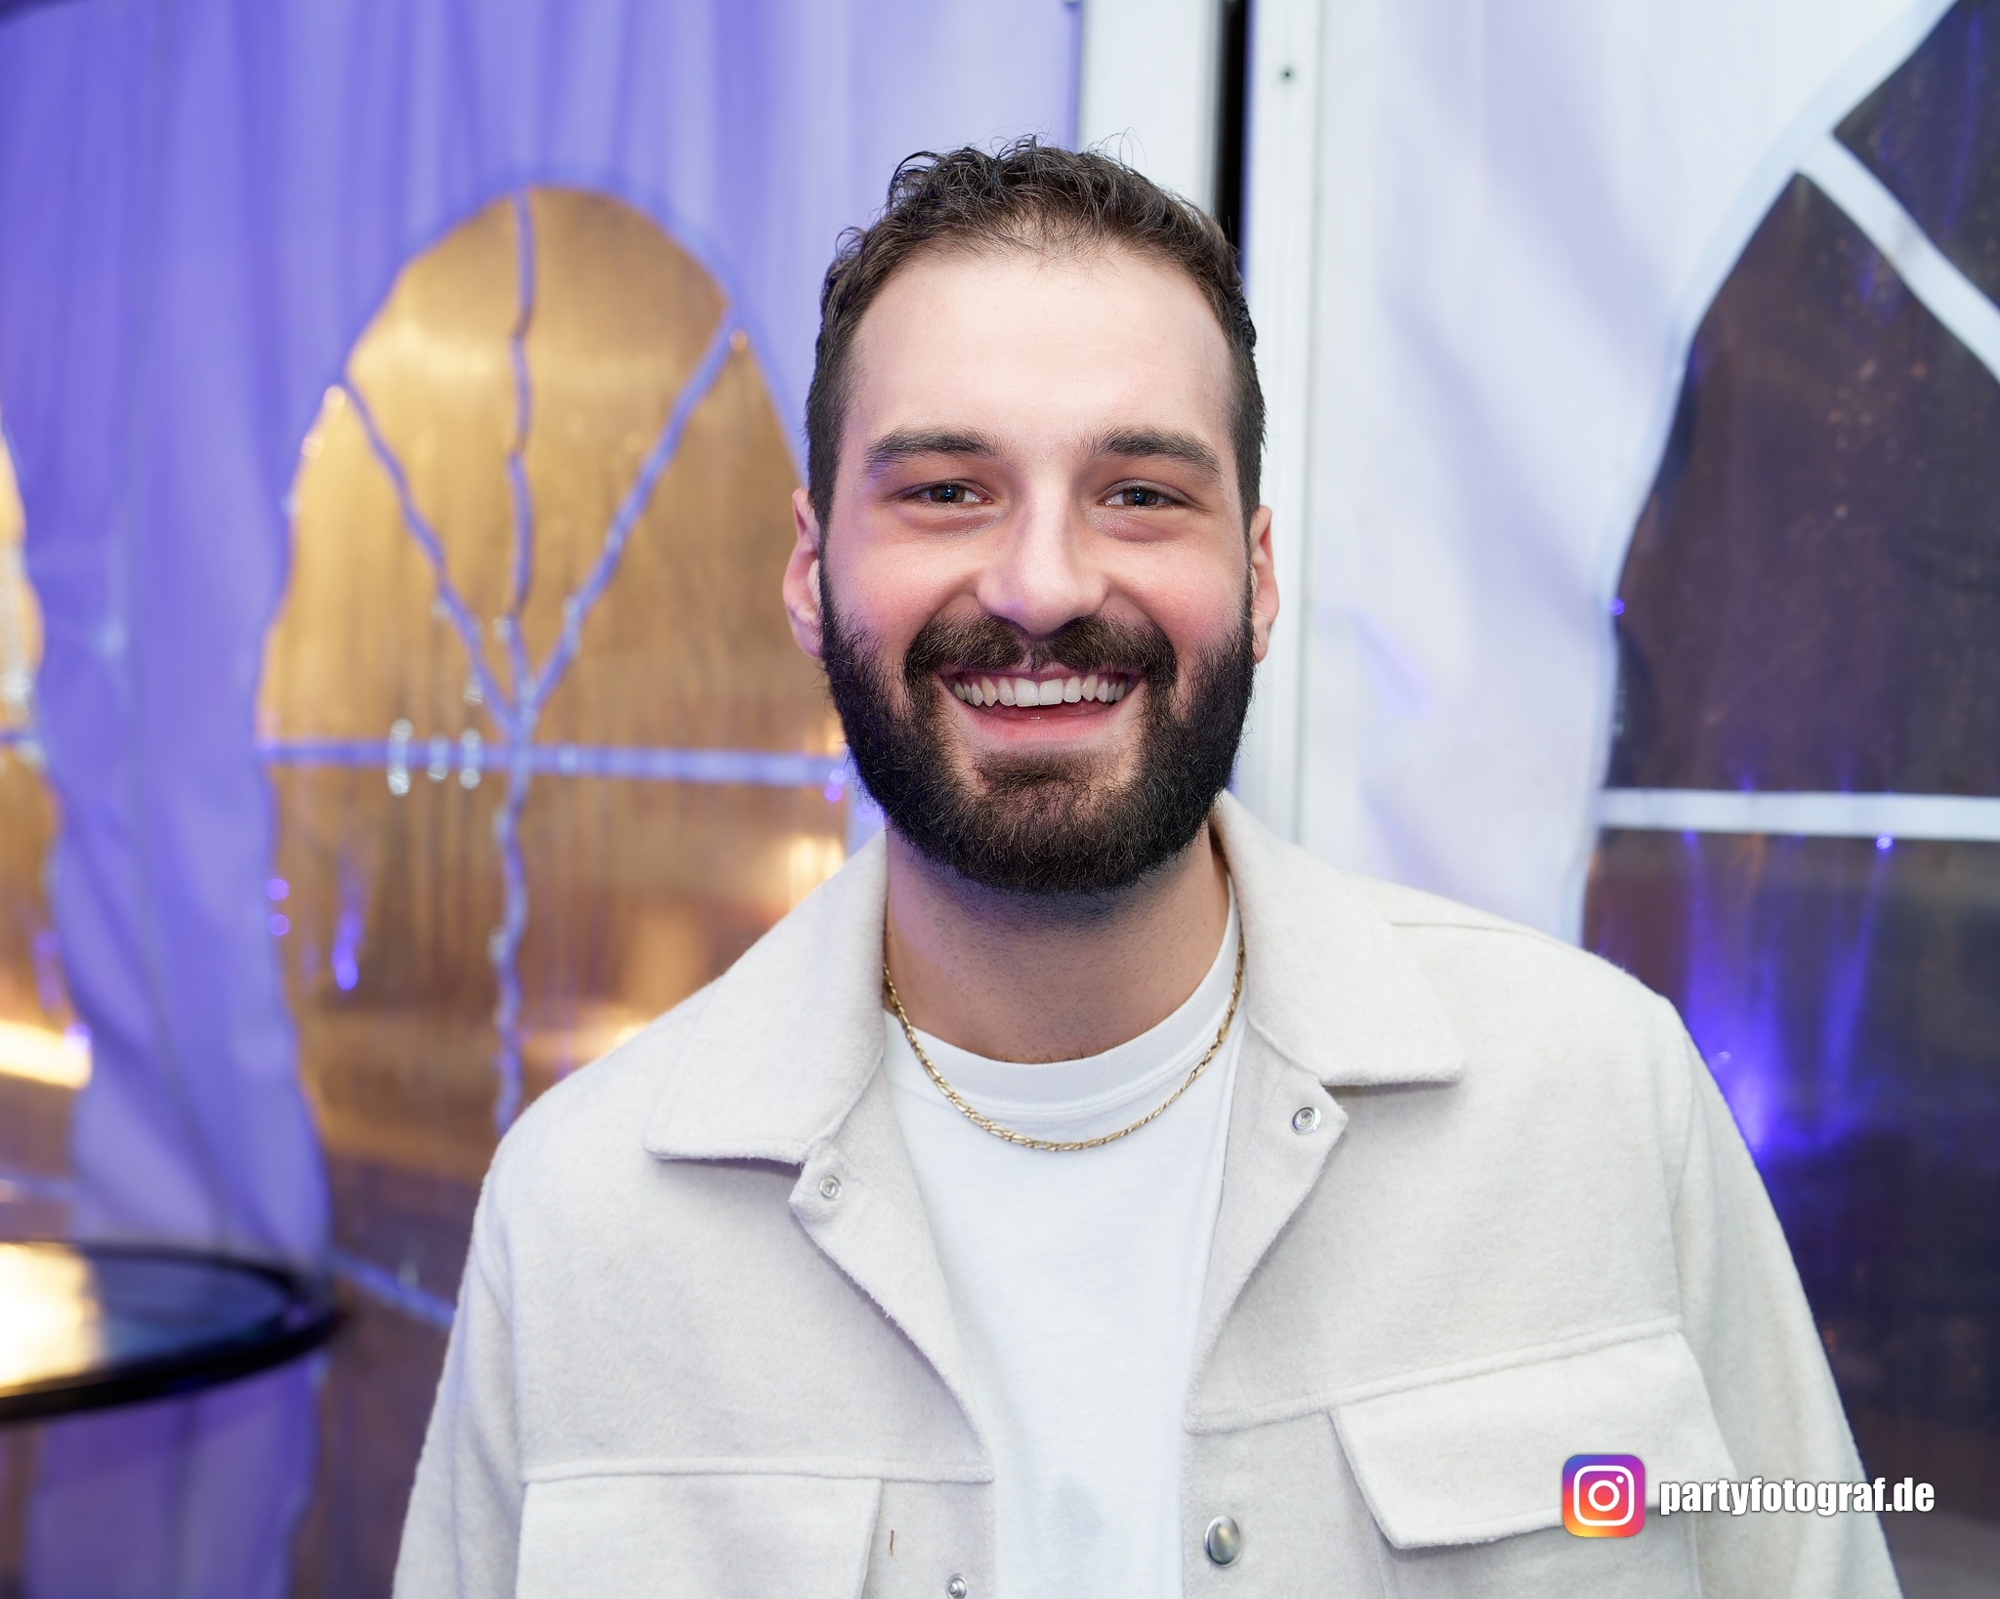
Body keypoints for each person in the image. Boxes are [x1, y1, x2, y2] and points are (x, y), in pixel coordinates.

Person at [396, 142, 1896, 1599]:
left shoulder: (1599, 1104)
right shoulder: (584, 1217)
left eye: (1140, 493)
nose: (1043, 585)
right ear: (811, 570)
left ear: (1257, 573)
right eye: (946, 490)